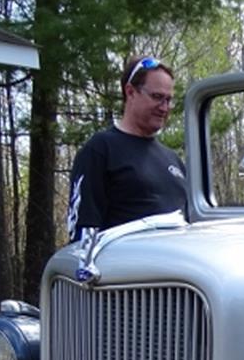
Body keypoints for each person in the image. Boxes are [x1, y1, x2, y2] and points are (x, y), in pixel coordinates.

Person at [66, 55, 188, 242]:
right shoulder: (100, 149)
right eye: (157, 97)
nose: (164, 107)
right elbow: (82, 233)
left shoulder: (173, 160)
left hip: (177, 266)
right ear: (130, 92)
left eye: (169, 99)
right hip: (125, 268)